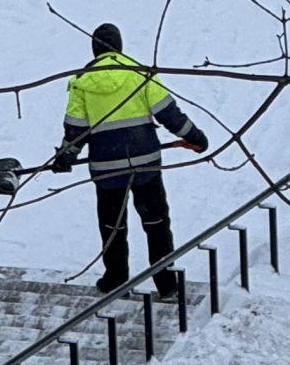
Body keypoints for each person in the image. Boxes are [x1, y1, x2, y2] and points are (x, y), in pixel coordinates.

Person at [51, 23, 208, 296]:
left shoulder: (82, 82)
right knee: (156, 224)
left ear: (95, 49)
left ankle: (115, 280)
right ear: (120, 47)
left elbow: (76, 129)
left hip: (107, 170)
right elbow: (168, 113)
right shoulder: (139, 73)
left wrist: (65, 157)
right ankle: (167, 283)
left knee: (113, 227)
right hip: (145, 165)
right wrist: (195, 137)